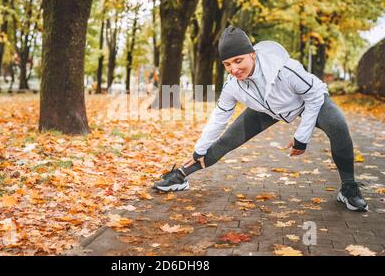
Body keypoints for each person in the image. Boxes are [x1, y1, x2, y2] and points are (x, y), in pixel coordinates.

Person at [153, 26, 368, 212]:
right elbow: (219, 117)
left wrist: (302, 137)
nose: (234, 69)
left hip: (309, 101)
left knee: (338, 125)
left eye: (238, 61)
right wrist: (199, 149)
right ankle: (180, 176)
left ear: (252, 55)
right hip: (267, 109)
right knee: (225, 141)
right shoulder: (232, 86)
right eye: (227, 64)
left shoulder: (285, 70)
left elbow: (313, 97)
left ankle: (348, 188)